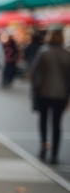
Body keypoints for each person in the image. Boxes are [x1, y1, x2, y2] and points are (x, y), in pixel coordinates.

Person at [29, 26, 70, 164]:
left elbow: (35, 73)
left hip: (43, 92)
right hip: (61, 94)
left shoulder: (44, 52)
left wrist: (35, 90)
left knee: (43, 121)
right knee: (57, 124)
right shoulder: (67, 54)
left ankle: (43, 146)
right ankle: (54, 154)